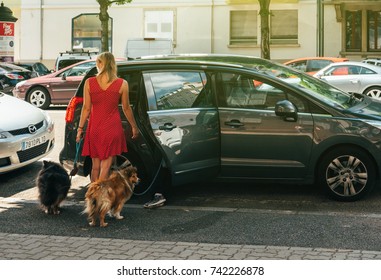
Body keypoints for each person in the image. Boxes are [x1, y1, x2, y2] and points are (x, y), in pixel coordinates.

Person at [76, 51, 138, 182]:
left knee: (95, 167)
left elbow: (86, 108)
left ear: (100, 63)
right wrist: (134, 126)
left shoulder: (89, 82)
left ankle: (94, 196)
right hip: (112, 129)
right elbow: (126, 108)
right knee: (106, 167)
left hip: (95, 129)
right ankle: (101, 195)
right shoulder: (122, 84)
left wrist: (80, 129)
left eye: (97, 62)